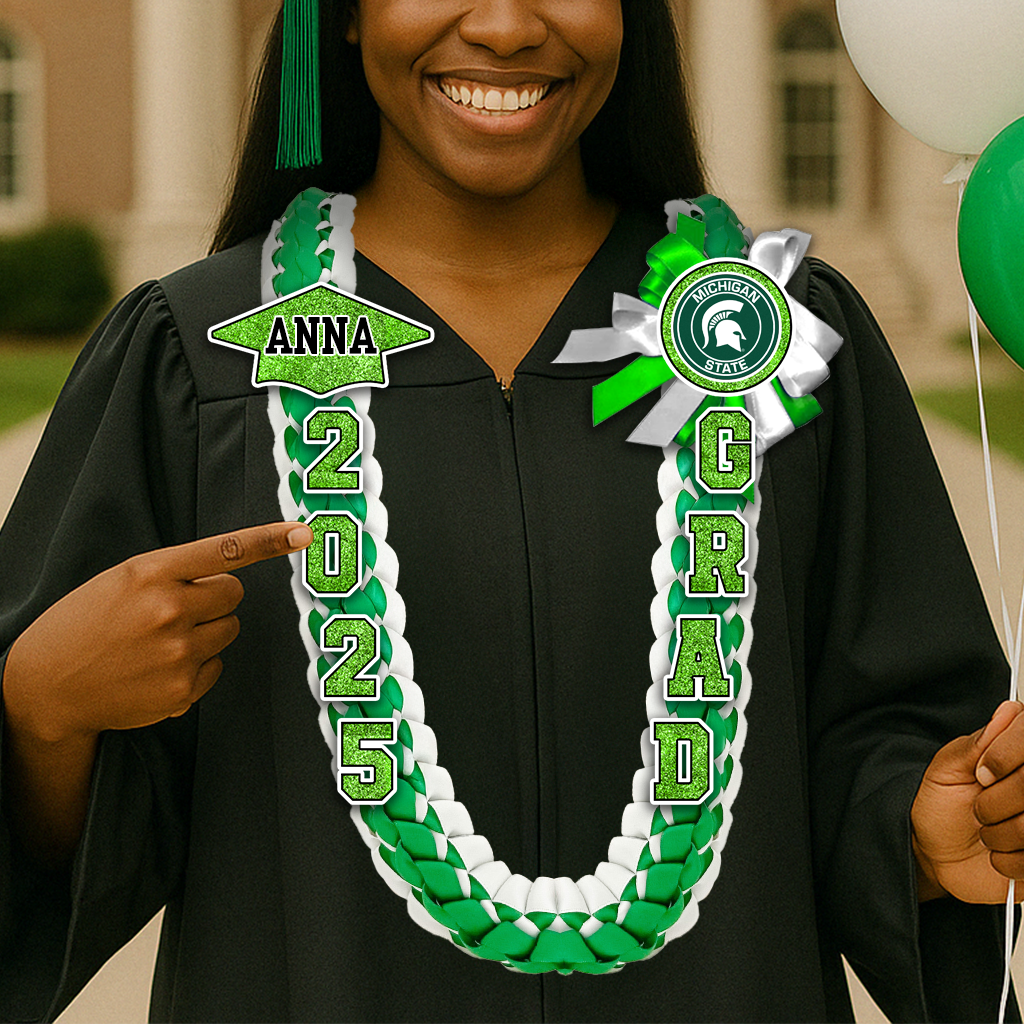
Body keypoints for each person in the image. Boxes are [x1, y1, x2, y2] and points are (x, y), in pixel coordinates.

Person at [0, 2, 1021, 1020]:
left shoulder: (774, 337)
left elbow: (878, 731)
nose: (502, 25)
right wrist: (40, 709)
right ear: (345, 16)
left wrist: (923, 833)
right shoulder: (199, 357)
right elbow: (82, 845)